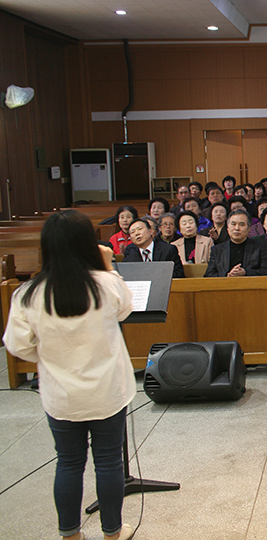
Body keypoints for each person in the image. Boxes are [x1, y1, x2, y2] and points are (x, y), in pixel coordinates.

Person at [3, 210, 137, 540]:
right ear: (87, 244)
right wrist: (107, 266)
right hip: (107, 390)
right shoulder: (106, 284)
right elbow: (125, 310)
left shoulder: (28, 294)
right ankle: (112, 532)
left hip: (61, 394)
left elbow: (17, 345)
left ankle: (70, 534)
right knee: (108, 462)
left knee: (68, 462)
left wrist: (50, 356)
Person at [205, 210, 267, 277]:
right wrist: (227, 275)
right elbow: (209, 275)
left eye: (241, 225)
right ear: (228, 227)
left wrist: (245, 273)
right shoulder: (217, 250)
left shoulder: (260, 247)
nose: (237, 228)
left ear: (249, 228)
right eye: (233, 224)